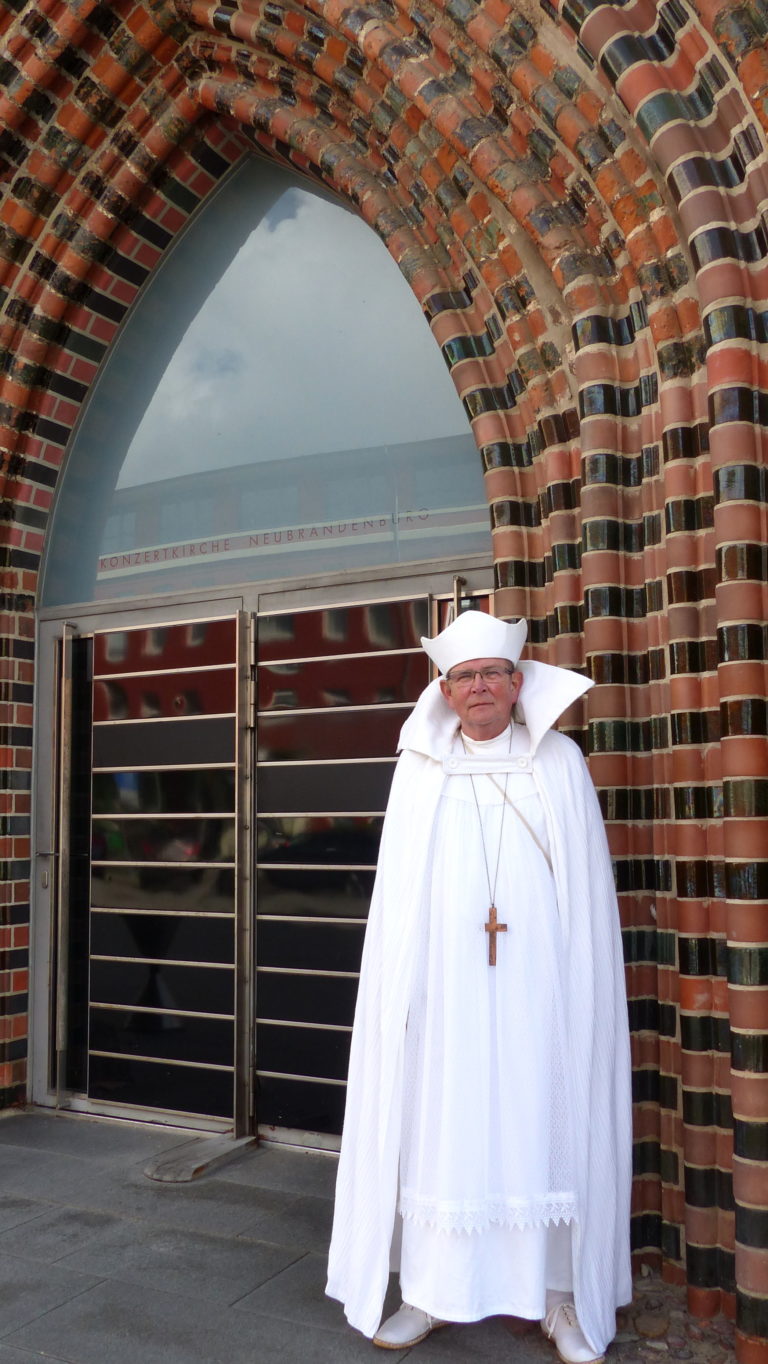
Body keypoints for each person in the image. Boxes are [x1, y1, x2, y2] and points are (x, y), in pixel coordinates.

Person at [326, 610, 633, 1364]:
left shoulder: (559, 762)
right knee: (444, 1128)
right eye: (465, 676)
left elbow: (587, 899)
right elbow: (397, 905)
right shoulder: (419, 769)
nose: (480, 688)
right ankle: (432, 1292)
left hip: (540, 996)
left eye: (493, 673)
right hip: (446, 999)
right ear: (446, 689)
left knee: (543, 1125)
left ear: (518, 684)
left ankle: (558, 1296)